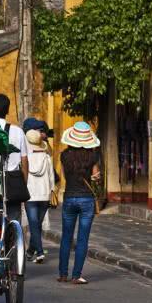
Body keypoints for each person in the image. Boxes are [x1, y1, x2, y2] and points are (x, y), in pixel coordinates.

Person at [58, 121, 101, 285]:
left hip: (69, 197)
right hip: (86, 200)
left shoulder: (64, 156)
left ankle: (63, 274)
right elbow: (96, 177)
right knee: (83, 238)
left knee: (66, 238)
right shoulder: (93, 157)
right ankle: (76, 275)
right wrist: (95, 176)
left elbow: (64, 176)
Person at [0, 94, 29, 222]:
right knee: (14, 221)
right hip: (13, 182)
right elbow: (25, 161)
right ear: (7, 110)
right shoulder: (18, 131)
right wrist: (23, 183)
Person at [24, 130, 55, 264]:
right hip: (44, 194)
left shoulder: (25, 159)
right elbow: (51, 178)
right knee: (36, 225)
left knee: (34, 225)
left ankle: (39, 252)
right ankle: (31, 251)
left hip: (30, 194)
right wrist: (51, 190)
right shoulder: (47, 158)